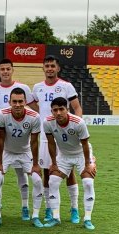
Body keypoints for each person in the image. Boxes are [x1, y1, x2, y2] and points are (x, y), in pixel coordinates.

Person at [32, 55, 83, 223]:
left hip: (65, 136)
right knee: (48, 171)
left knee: (69, 171)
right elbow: (35, 106)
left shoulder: (66, 86)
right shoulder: (37, 87)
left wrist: (74, 129)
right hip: (47, 136)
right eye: (46, 66)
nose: (49, 68)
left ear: (58, 68)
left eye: (52, 65)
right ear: (43, 68)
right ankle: (49, 208)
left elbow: (76, 108)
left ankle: (74, 208)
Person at [0, 58, 36, 221]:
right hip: (2, 138)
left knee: (23, 177)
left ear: (12, 70)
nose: (5, 72)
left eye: (8, 69)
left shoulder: (24, 89)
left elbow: (35, 108)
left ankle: (26, 207)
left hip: (22, 139)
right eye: (2, 69)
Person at [0, 87, 44, 228]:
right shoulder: (2, 114)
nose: (17, 104)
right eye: (14, 101)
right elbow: (0, 139)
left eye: (20, 101)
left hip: (25, 152)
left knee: (37, 180)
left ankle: (33, 214)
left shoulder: (34, 116)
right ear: (9, 102)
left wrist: (35, 164)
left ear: (25, 101)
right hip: (6, 151)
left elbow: (34, 141)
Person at [43, 97, 96, 230]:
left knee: (88, 183)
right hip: (63, 155)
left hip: (80, 154)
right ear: (52, 111)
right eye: (55, 110)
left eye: (62, 109)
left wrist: (89, 163)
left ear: (68, 110)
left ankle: (87, 219)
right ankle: (56, 217)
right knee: (53, 181)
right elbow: (50, 143)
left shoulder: (78, 122)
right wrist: (54, 163)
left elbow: (85, 145)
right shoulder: (48, 122)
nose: (58, 113)